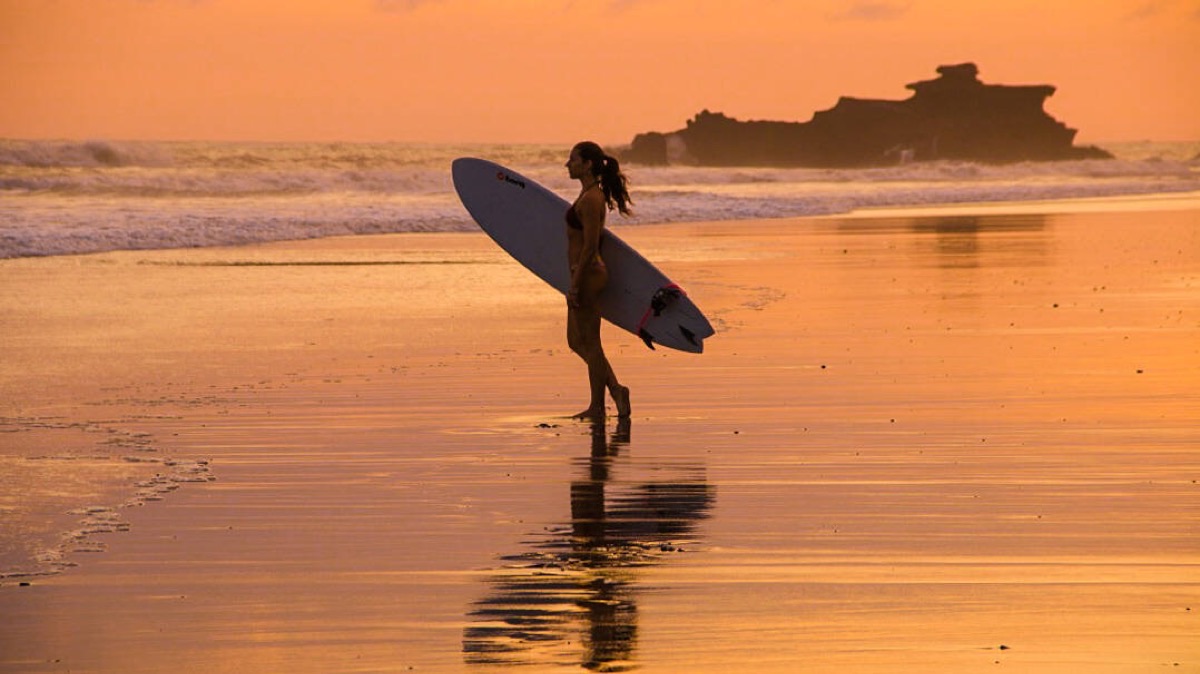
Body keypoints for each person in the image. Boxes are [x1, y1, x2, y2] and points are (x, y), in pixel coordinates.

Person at [563, 141, 632, 420]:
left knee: (590, 342)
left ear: (587, 164)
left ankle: (598, 406)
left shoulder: (592, 200)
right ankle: (616, 390)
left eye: (573, 159)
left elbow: (591, 246)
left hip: (588, 275)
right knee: (576, 341)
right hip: (583, 273)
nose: (568, 164)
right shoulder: (588, 194)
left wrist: (576, 284)